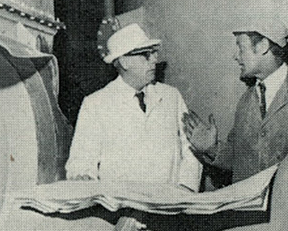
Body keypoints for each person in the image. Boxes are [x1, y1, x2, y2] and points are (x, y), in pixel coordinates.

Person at [183, 15, 288, 185]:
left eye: (241, 48)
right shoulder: (245, 102)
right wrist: (212, 149)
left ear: (263, 46)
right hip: (249, 209)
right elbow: (239, 159)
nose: (236, 56)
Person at [66, 21, 201, 190]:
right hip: (122, 208)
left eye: (154, 53)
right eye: (146, 54)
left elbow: (191, 148)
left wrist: (186, 188)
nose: (154, 60)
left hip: (170, 206)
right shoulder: (95, 104)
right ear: (124, 62)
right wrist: (83, 178)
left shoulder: (171, 96)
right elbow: (81, 162)